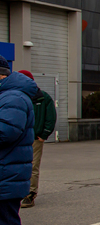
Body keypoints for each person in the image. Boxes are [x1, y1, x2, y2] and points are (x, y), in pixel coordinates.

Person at [0, 57, 36, 225]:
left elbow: (6, 132)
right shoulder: (7, 95)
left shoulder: (13, 97)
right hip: (7, 171)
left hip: (7, 174)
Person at [16, 70, 56, 209]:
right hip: (17, 137)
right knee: (15, 165)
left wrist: (44, 134)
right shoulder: (15, 96)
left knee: (32, 165)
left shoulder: (42, 97)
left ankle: (30, 194)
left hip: (34, 137)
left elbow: (50, 116)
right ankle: (15, 193)